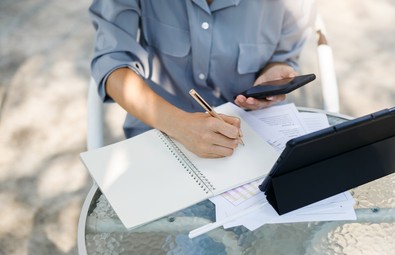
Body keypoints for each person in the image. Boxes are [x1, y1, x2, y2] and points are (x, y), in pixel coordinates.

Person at [89, 0, 314, 158]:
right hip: (157, 130)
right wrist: (179, 125)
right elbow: (112, 63)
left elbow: (284, 57)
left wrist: (275, 72)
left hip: (251, 135)